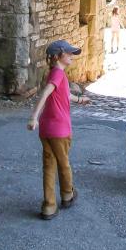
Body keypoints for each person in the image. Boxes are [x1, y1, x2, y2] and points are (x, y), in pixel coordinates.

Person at [27, 39, 91, 220]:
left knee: (49, 166)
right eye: (68, 53)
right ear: (57, 56)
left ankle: (49, 206)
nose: (72, 55)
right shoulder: (58, 74)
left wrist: (80, 99)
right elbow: (46, 92)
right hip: (59, 130)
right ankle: (67, 194)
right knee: (64, 164)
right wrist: (33, 117)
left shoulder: (56, 74)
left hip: (47, 130)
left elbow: (64, 94)